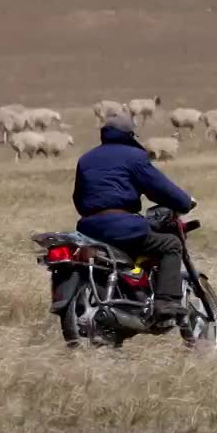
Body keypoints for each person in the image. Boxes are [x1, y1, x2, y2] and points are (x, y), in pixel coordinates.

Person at [72, 114, 195, 319]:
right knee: (171, 244)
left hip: (89, 229)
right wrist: (183, 202)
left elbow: (78, 198)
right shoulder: (134, 156)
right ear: (129, 135)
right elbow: (160, 187)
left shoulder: (86, 159)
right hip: (123, 226)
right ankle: (166, 301)